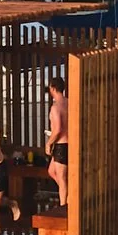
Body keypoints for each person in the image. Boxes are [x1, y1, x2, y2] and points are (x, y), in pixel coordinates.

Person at [45, 75, 70, 208]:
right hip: (69, 143)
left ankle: (63, 207)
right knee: (51, 171)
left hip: (61, 144)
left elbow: (58, 128)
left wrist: (49, 143)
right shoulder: (70, 102)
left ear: (53, 89)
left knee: (62, 178)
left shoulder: (55, 107)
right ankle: (69, 195)